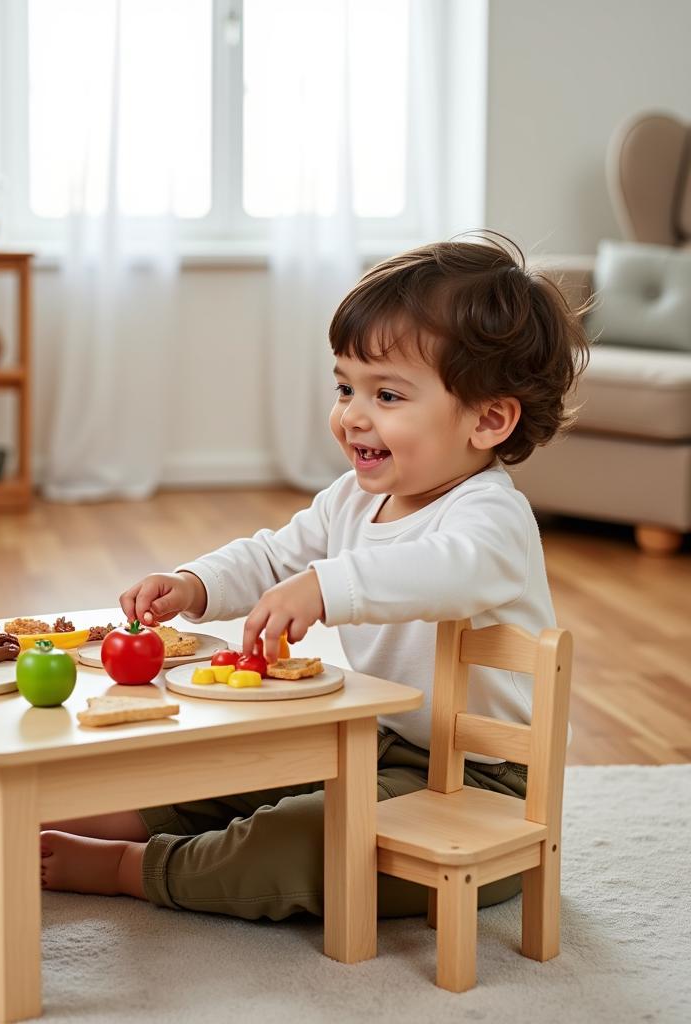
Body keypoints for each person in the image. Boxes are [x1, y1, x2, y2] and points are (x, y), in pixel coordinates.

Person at [40, 232, 589, 921]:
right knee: (239, 764)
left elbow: (440, 571)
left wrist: (329, 587)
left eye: (387, 395)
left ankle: (138, 867)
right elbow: (276, 556)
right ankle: (131, 815)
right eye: (345, 386)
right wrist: (194, 584)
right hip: (380, 741)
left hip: (485, 785)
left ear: (488, 419)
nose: (352, 415)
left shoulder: (492, 520)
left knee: (306, 839)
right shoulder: (354, 497)